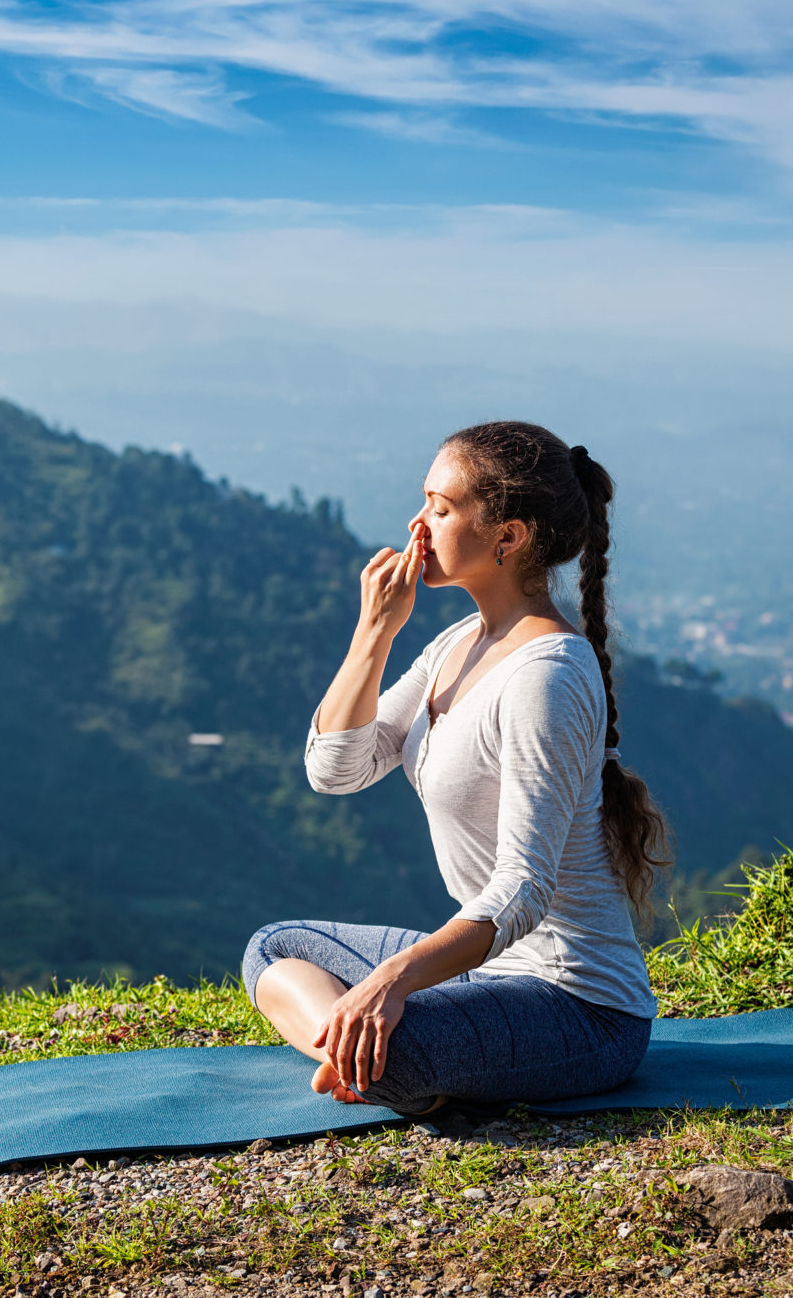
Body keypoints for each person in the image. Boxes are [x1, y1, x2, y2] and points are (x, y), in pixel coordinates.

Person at [241, 421, 670, 1115]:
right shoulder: (457, 643)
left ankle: (381, 1063)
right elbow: (336, 769)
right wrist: (374, 632)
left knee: (392, 1035)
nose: (417, 525)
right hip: (489, 975)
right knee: (275, 949)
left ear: (509, 537)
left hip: (580, 1010)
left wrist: (393, 981)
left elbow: (522, 890)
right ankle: (365, 1062)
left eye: (440, 509)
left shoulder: (546, 678)